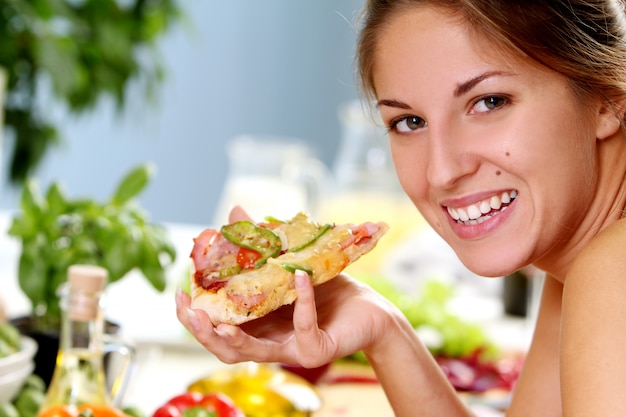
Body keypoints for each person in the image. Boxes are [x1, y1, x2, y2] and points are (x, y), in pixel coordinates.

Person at [176, 1, 626, 415]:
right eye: (409, 122)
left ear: (607, 95)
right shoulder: (578, 269)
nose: (442, 171)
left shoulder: (611, 270)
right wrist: (382, 329)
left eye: (490, 102)